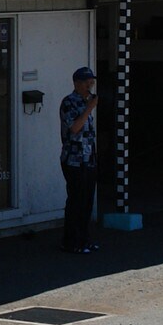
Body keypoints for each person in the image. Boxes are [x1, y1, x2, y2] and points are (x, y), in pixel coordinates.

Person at [59, 66, 100, 253]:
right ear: (77, 83)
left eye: (91, 82)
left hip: (88, 159)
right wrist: (89, 108)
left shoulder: (86, 102)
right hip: (73, 160)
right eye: (86, 82)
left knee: (87, 201)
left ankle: (85, 239)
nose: (89, 86)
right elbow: (74, 128)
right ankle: (71, 241)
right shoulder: (69, 102)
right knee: (76, 200)